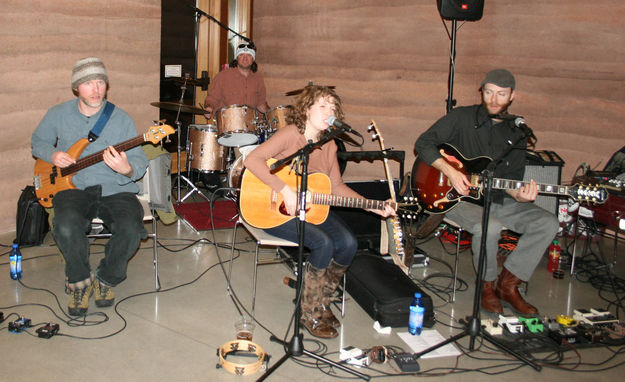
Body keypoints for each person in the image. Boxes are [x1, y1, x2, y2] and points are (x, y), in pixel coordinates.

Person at [244, 85, 395, 338]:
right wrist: (284, 189)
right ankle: (308, 312)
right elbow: (252, 160)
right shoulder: (292, 134)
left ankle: (320, 300)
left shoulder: (330, 145)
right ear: (306, 109)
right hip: (272, 209)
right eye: (323, 105)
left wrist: (371, 205)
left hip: (311, 209)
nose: (329, 111)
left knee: (347, 243)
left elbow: (335, 186)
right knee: (323, 243)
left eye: (333, 107)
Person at [414, 69, 559, 315]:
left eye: (501, 94)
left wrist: (519, 195)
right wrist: (449, 171)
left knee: (547, 223)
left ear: (512, 96)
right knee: (488, 226)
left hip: (499, 198)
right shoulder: (461, 117)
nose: (493, 99)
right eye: (489, 92)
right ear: (482, 91)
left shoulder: (517, 132)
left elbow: (512, 182)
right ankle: (487, 285)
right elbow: (423, 143)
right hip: (456, 197)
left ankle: (508, 285)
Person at [31, 57, 149, 316]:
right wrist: (52, 156)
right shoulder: (58, 114)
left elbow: (139, 162)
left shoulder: (120, 119)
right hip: (73, 189)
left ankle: (106, 278)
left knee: (131, 228)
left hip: (115, 189)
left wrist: (126, 169)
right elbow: (38, 141)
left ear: (107, 86)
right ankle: (79, 280)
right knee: (64, 224)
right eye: (87, 84)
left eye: (100, 83)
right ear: (76, 88)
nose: (95, 89)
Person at [203, 42, 270, 117]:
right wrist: (209, 107)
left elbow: (260, 103)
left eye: (249, 55)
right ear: (237, 58)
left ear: (253, 59)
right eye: (241, 55)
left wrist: (272, 114)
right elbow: (212, 98)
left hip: (250, 124)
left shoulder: (258, 78)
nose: (245, 58)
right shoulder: (222, 76)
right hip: (228, 123)